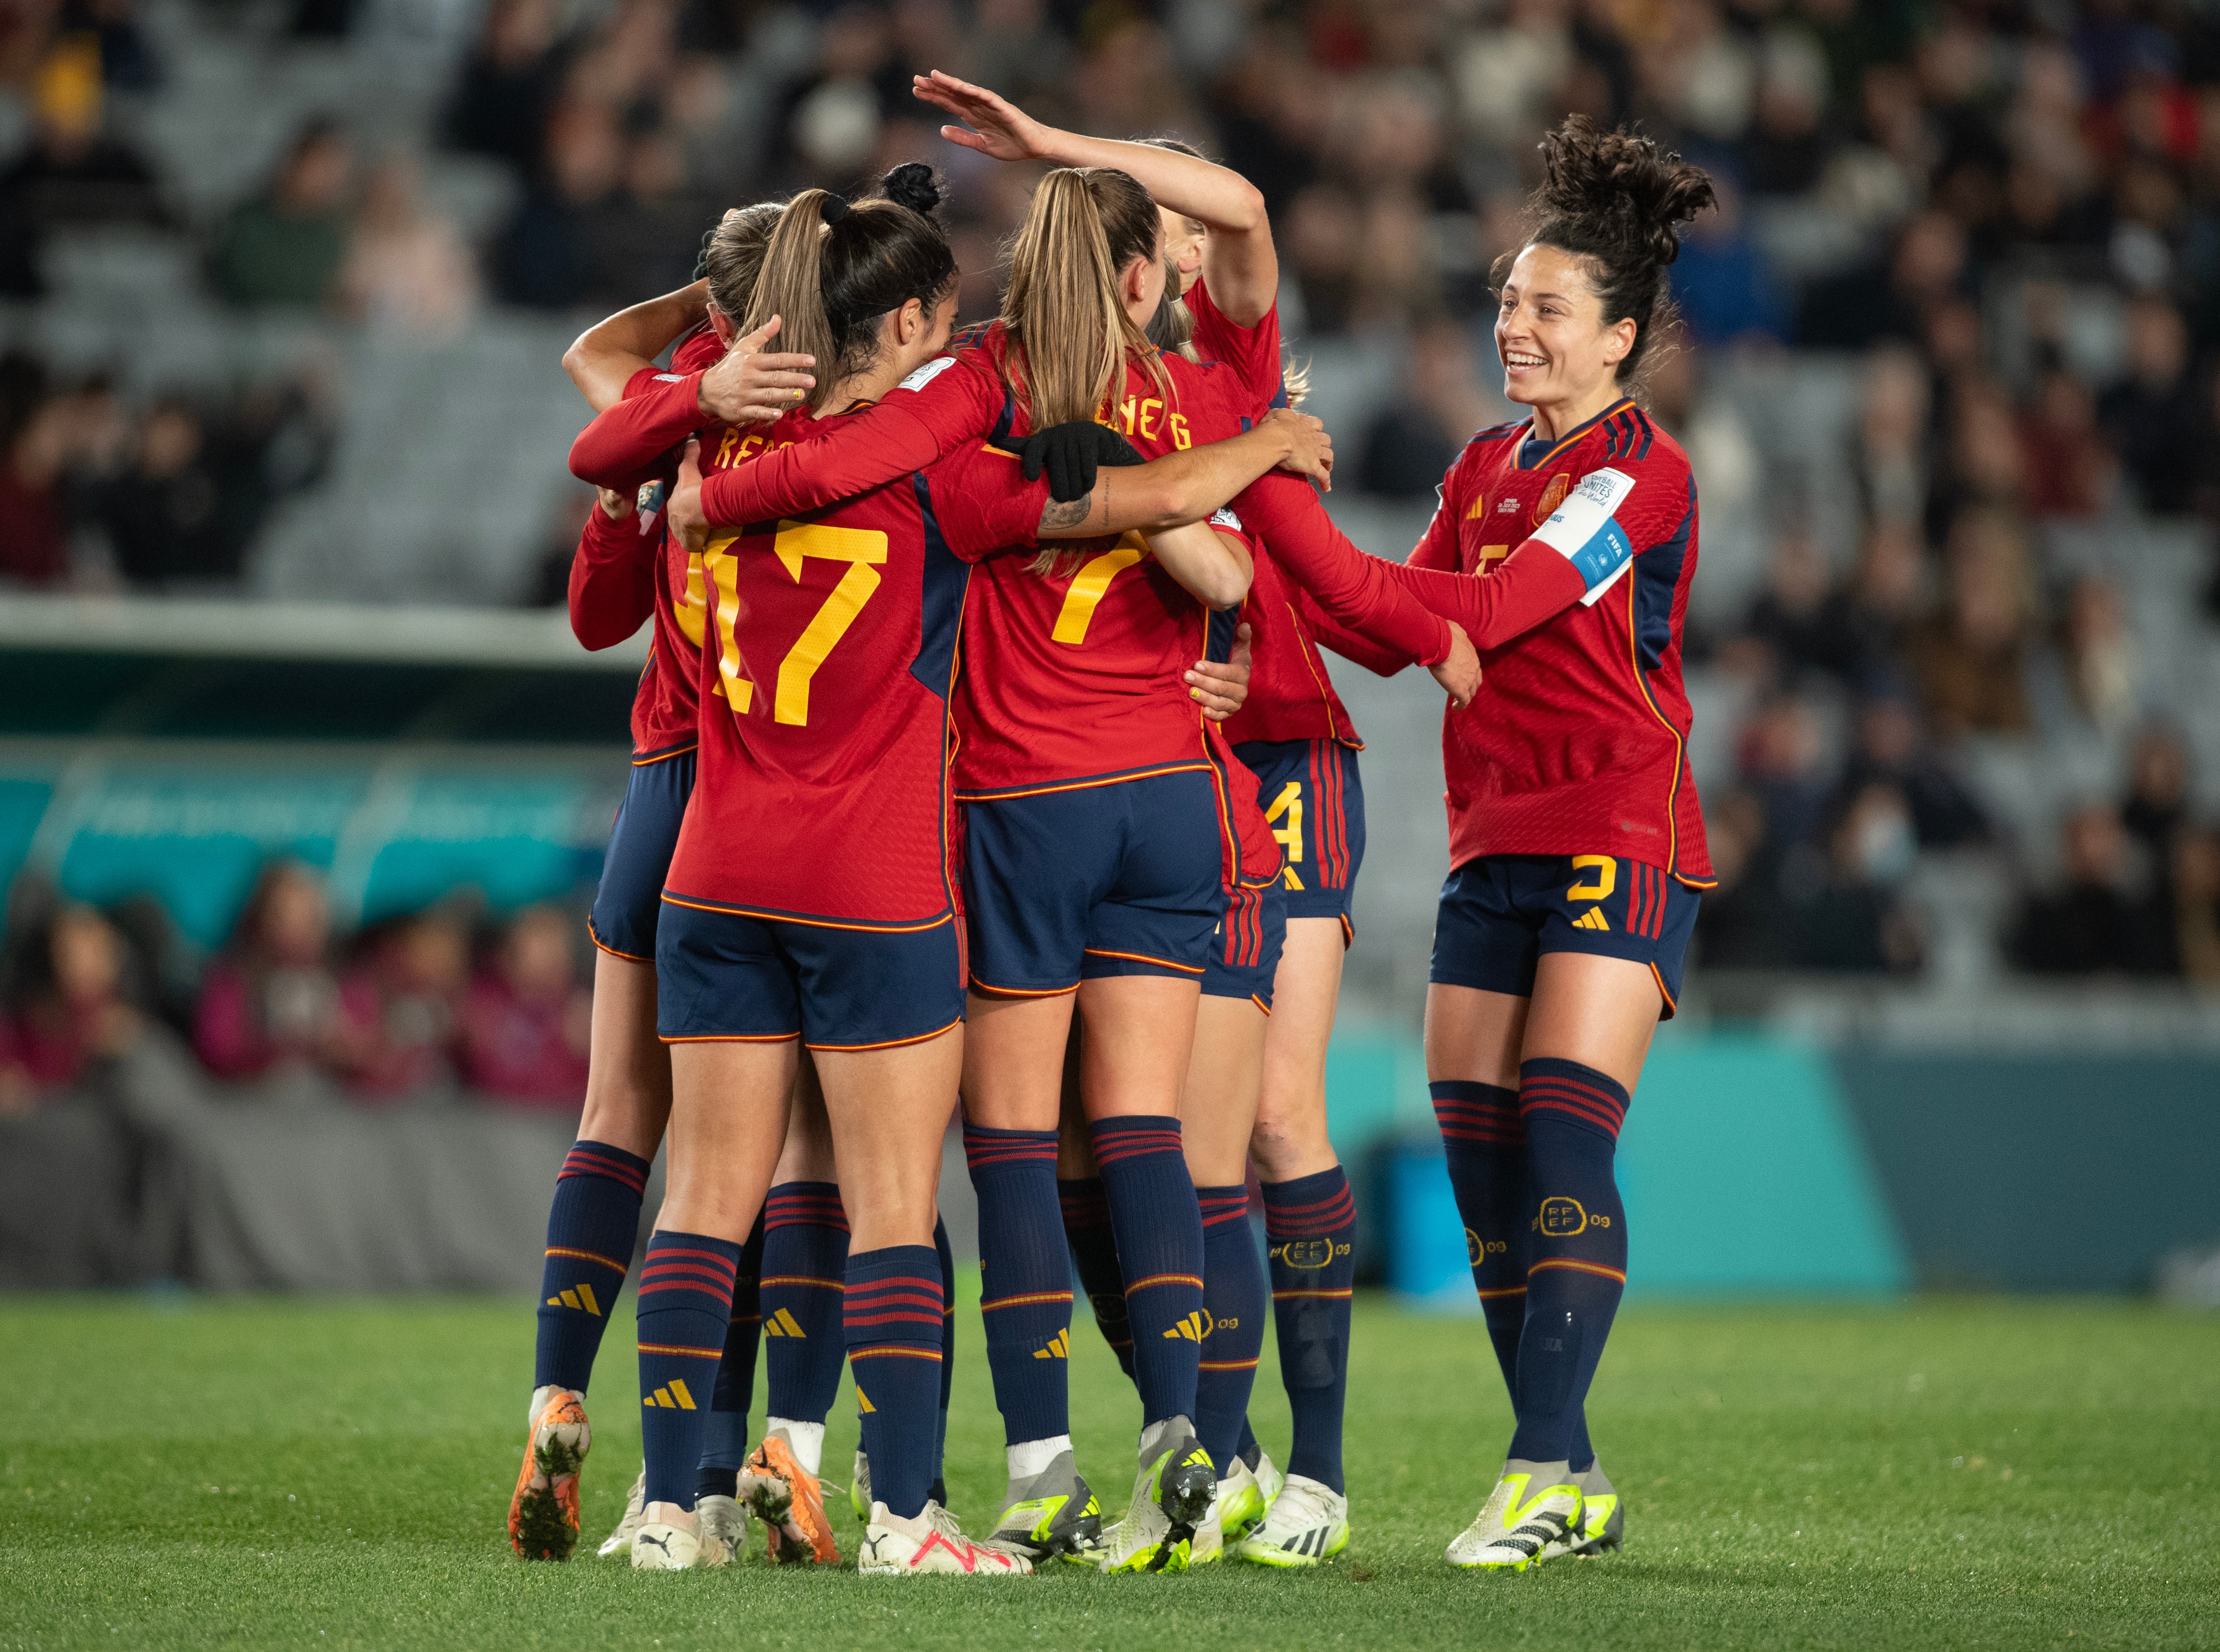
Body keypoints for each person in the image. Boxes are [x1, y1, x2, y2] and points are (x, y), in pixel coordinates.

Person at [650, 165, 1281, 1575]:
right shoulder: (1031, 444)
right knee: (1091, 1148)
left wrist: (702, 424)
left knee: (759, 1186)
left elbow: (609, 412)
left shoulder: (757, 447)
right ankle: (1111, 1457)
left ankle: (696, 1499)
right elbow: (1205, 555)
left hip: (796, 843)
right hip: (1014, 834)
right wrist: (1255, 449)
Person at [1240, 115, 1718, 1570]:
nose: (1514, 325)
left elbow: (1490, 615)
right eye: (1509, 299)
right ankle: (1568, 1473)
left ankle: (1533, 1470)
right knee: (1484, 1173)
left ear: (1619, 339)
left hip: (1620, 827)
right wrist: (1253, 519)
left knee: (1565, 1138)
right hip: (1489, 842)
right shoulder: (1481, 464)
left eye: (1547, 308)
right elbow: (1393, 626)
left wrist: (1280, 505)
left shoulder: (1643, 479)